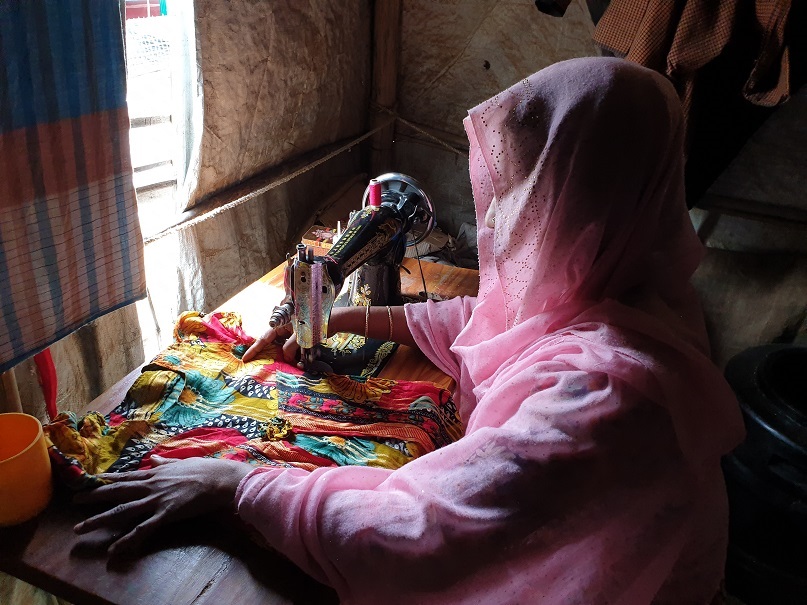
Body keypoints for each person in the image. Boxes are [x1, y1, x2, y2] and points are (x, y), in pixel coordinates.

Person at [74, 57, 745, 604]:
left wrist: (233, 484)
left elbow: (415, 531)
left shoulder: (606, 393)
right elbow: (486, 322)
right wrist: (335, 314)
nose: (504, 215)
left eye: (524, 195)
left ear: (583, 204)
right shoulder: (634, 294)